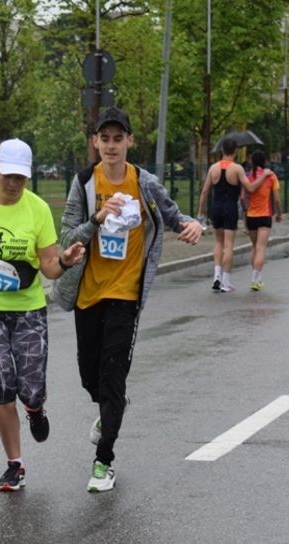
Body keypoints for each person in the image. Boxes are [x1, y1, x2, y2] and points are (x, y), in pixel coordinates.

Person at [54, 107, 202, 493]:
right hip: (88, 293)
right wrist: (98, 218)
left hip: (125, 294)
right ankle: (109, 411)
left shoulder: (145, 182)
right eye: (105, 139)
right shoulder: (85, 182)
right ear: (96, 142)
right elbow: (68, 238)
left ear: (130, 141)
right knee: (91, 377)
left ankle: (104, 461)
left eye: (119, 139)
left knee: (113, 376)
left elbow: (173, 217)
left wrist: (193, 224)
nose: (111, 146)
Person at [0, 138, 85, 492]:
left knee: (29, 389)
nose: (14, 183)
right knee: (2, 385)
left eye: (21, 178)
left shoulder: (38, 209)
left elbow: (48, 266)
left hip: (28, 311)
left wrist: (64, 261)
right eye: (8, 175)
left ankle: (35, 408)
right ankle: (14, 464)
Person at [197, 137, 277, 293]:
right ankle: (226, 281)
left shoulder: (213, 168)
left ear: (222, 151)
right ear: (235, 151)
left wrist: (200, 212)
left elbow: (205, 191)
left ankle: (216, 276)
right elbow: (251, 188)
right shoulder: (237, 169)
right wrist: (263, 175)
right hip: (230, 208)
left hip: (216, 208)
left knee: (218, 243)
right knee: (228, 245)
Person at [243, 149, 282, 291]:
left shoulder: (248, 176)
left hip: (251, 216)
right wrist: (279, 213)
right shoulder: (271, 177)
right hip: (265, 215)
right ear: (264, 161)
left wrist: (245, 211)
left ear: (252, 161)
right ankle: (255, 279)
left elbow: (243, 196)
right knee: (261, 248)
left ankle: (257, 278)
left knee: (254, 247)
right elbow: (277, 199)